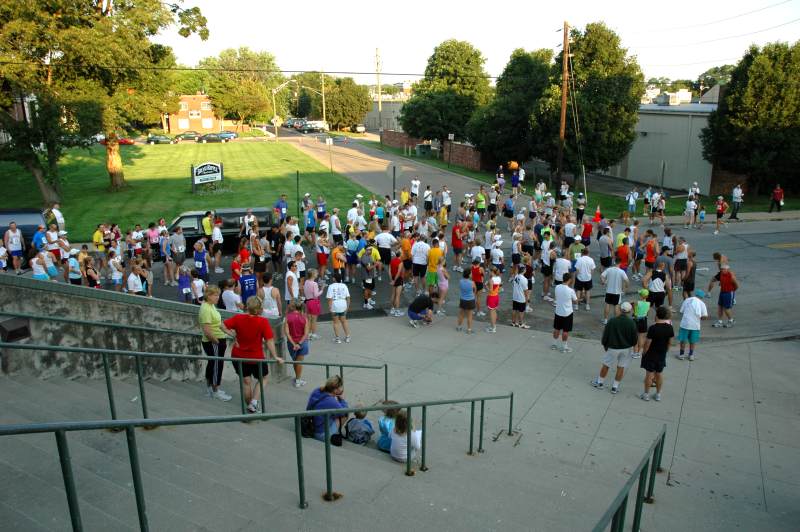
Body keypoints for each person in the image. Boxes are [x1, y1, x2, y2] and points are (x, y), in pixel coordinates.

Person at [223, 296, 283, 413]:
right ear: (259, 309)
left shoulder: (238, 318)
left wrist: (233, 335)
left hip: (238, 356)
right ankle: (254, 403)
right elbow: (270, 341)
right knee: (264, 378)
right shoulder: (263, 322)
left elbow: (222, 325)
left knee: (246, 382)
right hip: (256, 358)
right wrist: (275, 356)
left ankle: (251, 406)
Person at [592, 301, 639, 394]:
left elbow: (606, 334)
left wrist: (605, 344)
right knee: (621, 367)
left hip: (613, 347)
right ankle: (615, 387)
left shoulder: (612, 321)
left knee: (606, 365)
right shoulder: (631, 323)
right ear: (629, 311)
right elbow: (635, 339)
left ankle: (600, 382)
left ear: (621, 310)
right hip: (626, 349)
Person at [199, 285, 234, 402]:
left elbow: (219, 323)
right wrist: (217, 342)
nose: (217, 297)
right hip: (213, 342)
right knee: (216, 366)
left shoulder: (210, 306)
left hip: (217, 340)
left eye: (218, 295)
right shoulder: (206, 309)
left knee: (213, 364)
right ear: (208, 295)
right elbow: (207, 331)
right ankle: (215, 391)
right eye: (215, 295)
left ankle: (211, 388)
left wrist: (231, 334)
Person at [640, 306, 674, 402]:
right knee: (659, 374)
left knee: (649, 374)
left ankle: (646, 394)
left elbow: (647, 343)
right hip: (661, 354)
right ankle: (658, 394)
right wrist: (666, 350)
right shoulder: (670, 328)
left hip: (651, 354)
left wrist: (644, 352)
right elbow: (670, 342)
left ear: (657, 315)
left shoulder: (653, 328)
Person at [306, 375, 349, 444]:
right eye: (341, 386)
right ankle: (332, 434)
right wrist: (343, 400)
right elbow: (345, 411)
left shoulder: (317, 390)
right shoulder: (331, 401)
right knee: (345, 415)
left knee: (332, 413)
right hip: (320, 434)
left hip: (310, 425)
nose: (342, 388)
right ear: (335, 389)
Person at [677, 289, 708, 361]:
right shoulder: (702, 304)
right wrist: (700, 318)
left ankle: (681, 354)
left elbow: (681, 311)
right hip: (695, 325)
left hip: (685, 324)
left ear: (696, 294)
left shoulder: (687, 300)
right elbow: (705, 316)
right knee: (692, 341)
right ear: (702, 297)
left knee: (683, 340)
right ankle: (691, 355)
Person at [283, 302, 310, 388]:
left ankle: (297, 378)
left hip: (291, 344)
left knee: (295, 361)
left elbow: (287, 333)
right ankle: (298, 380)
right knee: (299, 362)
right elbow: (306, 333)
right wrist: (299, 343)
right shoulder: (304, 318)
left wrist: (294, 344)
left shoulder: (287, 318)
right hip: (302, 343)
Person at [552, 272, 577, 353]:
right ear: (569, 280)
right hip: (567, 313)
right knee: (565, 331)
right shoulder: (571, 290)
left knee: (557, 329)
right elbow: (575, 301)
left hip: (558, 311)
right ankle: (564, 346)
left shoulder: (557, 287)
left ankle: (554, 344)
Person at [707, 264, 739, 328]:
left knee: (726, 309)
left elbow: (737, 286)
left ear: (727, 270)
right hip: (722, 292)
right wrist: (713, 281)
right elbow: (713, 279)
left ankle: (731, 320)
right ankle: (720, 322)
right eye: (721, 269)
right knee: (720, 307)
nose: (722, 270)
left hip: (729, 293)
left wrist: (732, 291)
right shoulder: (721, 274)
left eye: (723, 269)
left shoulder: (731, 276)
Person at [600, 256, 629, 324]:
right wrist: (626, 288)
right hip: (617, 292)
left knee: (607, 305)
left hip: (609, 291)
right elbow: (627, 280)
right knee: (616, 306)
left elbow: (602, 276)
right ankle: (616, 321)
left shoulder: (609, 269)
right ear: (620, 263)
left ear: (614, 261)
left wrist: (603, 282)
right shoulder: (621, 271)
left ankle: (605, 320)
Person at [327, 273, 351, 343]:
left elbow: (330, 298)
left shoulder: (331, 286)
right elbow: (348, 297)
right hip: (343, 304)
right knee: (344, 321)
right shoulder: (344, 285)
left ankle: (338, 338)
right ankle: (347, 336)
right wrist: (347, 307)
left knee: (336, 322)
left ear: (334, 278)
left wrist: (330, 307)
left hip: (335, 304)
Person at [303, 269, 322, 339]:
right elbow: (316, 295)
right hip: (314, 302)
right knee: (314, 320)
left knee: (308, 319)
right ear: (313, 275)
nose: (317, 274)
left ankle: (308, 334)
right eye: (316, 273)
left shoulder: (306, 282)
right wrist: (322, 289)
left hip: (307, 301)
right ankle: (313, 334)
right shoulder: (314, 284)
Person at [633, 288, 651, 358]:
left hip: (636, 320)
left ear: (641, 295)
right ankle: (639, 352)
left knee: (635, 337)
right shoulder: (648, 304)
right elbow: (647, 313)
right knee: (641, 337)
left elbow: (635, 313)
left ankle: (635, 352)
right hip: (644, 321)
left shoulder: (637, 302)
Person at [484, 266, 501, 333]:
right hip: (496, 296)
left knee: (491, 313)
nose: (488, 273)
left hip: (491, 297)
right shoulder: (499, 278)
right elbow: (499, 288)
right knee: (494, 311)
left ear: (492, 272)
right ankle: (494, 325)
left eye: (489, 272)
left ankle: (493, 327)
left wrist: (486, 286)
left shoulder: (491, 280)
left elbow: (490, 290)